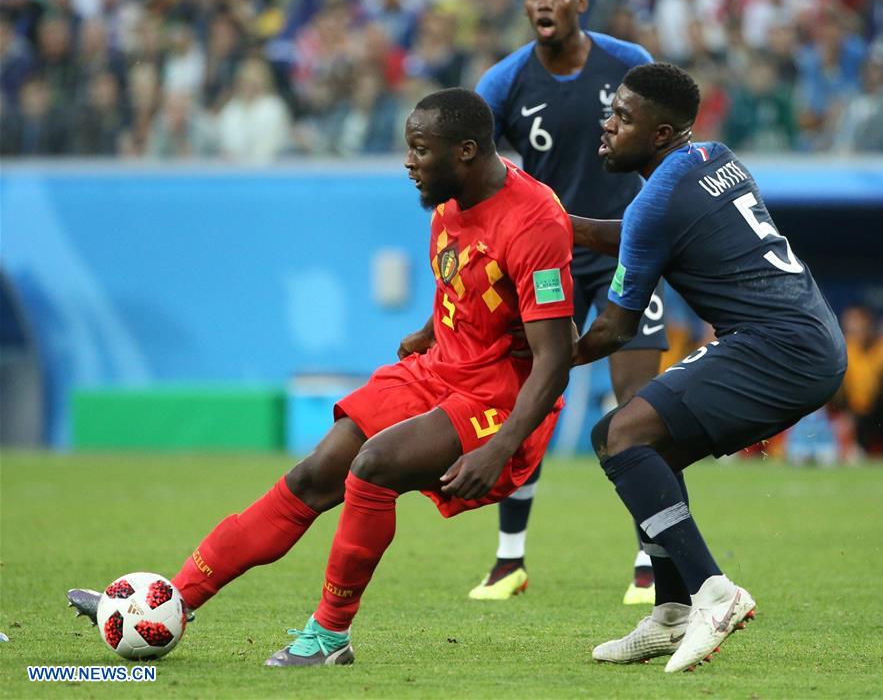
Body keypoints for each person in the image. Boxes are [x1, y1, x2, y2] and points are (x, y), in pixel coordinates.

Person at [67, 87, 576, 667]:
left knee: (374, 468)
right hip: (439, 369)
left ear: (464, 151)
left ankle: (330, 635)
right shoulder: (447, 203)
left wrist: (502, 446)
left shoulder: (534, 220)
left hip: (499, 396)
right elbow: (475, 285)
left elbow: (553, 356)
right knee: (313, 474)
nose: (408, 163)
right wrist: (430, 329)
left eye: (419, 150)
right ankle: (165, 604)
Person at [569, 62, 846, 672]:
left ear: (662, 134)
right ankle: (670, 614)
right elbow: (646, 231)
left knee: (622, 436)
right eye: (610, 112)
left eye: (623, 117)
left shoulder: (654, 206)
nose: (608, 126)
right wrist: (570, 229)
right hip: (808, 337)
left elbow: (614, 329)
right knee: (637, 446)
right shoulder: (715, 155)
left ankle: (713, 594)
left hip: (776, 347)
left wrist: (535, 353)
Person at [466, 0, 668, 604]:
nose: (541, 4)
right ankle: (509, 562)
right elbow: (472, 161)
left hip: (626, 253)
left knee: (636, 403)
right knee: (528, 393)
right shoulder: (503, 83)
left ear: (579, 1)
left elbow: (670, 144)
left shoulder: (627, 60)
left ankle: (649, 559)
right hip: (546, 260)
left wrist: (662, 225)